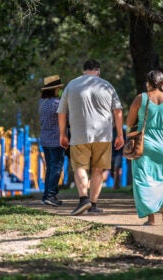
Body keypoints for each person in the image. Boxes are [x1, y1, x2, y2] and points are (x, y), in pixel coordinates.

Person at [57, 59, 124, 216]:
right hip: (103, 136)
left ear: (83, 70)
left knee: (79, 167)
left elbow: (61, 112)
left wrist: (62, 134)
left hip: (79, 135)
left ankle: (83, 200)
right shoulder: (107, 86)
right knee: (98, 170)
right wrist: (120, 135)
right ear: (98, 71)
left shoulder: (71, 85)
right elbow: (118, 111)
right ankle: (93, 205)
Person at [126, 70, 163, 226]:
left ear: (148, 83)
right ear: (162, 83)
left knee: (142, 179)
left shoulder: (141, 98)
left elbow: (129, 123)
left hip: (145, 142)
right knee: (161, 177)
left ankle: (151, 218)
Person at [39, 75, 66, 206]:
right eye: (58, 88)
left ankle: (46, 195)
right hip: (56, 140)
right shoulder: (57, 103)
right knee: (56, 168)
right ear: (54, 89)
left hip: (45, 140)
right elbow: (65, 119)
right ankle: (51, 195)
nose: (60, 91)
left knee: (50, 168)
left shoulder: (42, 103)